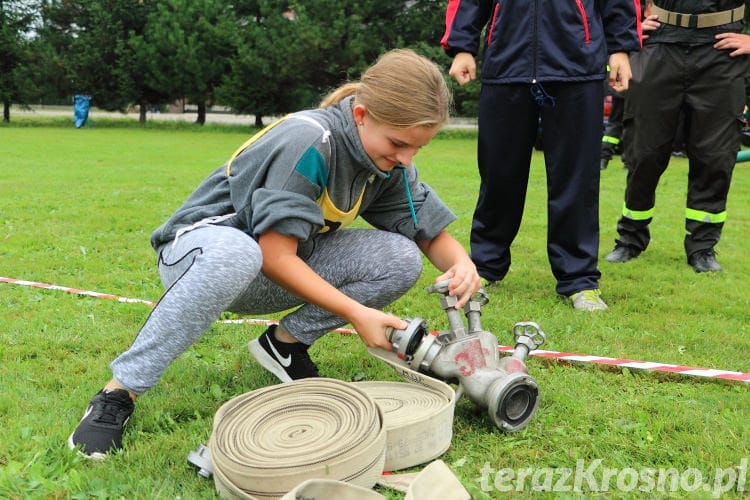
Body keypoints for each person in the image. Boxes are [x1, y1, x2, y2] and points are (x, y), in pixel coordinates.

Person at [68, 48, 482, 460]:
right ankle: (119, 392)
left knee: (400, 258)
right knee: (239, 253)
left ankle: (285, 346)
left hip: (265, 265)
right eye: (398, 143)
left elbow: (429, 233)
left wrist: (462, 264)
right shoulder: (310, 140)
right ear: (361, 115)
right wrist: (358, 313)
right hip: (199, 255)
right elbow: (273, 256)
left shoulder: (385, 163)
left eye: (417, 149)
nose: (406, 158)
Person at [442, 0, 641, 311]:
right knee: (498, 176)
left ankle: (579, 280)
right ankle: (483, 268)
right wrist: (462, 46)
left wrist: (620, 48)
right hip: (508, 63)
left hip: (577, 66)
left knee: (577, 180)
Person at [605, 1, 750, 273]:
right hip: (660, 43)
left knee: (714, 157)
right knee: (644, 152)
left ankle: (702, 247)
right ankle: (630, 238)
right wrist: (630, 28)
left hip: (722, 49)